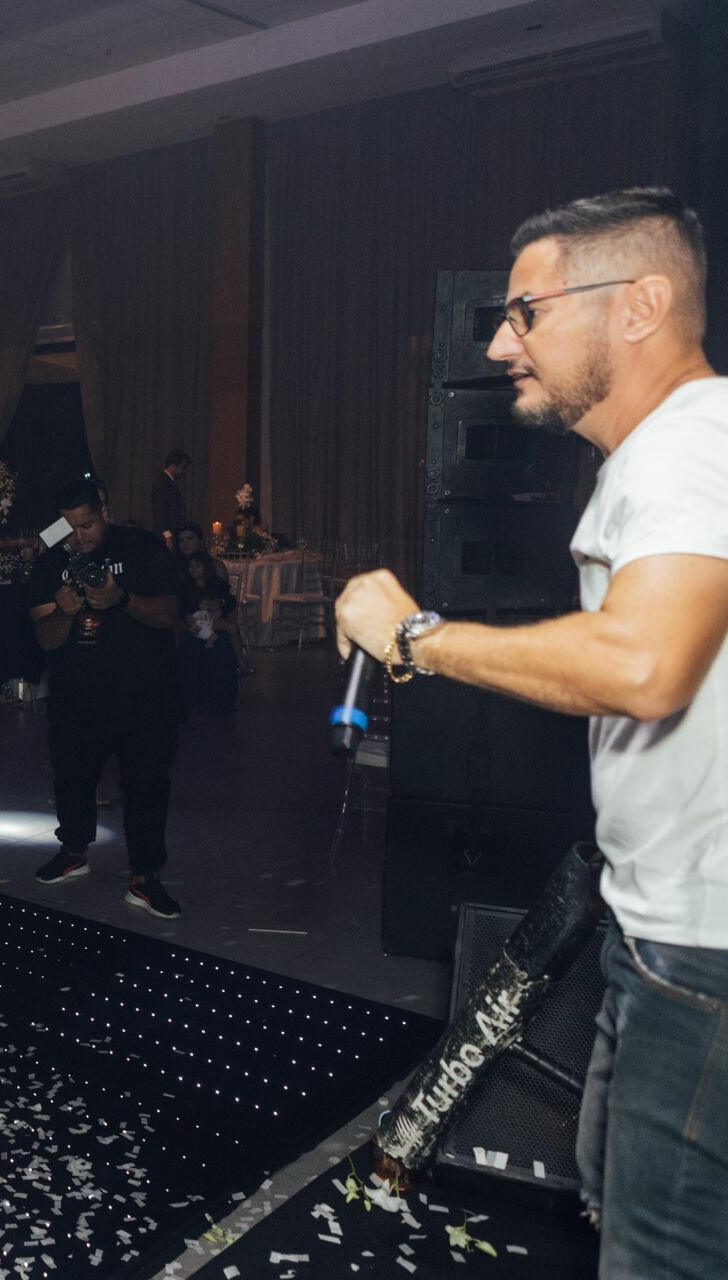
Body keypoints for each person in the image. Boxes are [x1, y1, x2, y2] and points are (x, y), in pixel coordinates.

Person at [336, 187, 728, 1280]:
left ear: (640, 304)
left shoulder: (693, 446)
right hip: (661, 932)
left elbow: (646, 666)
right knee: (614, 1188)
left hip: (708, 950)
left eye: (529, 311)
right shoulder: (669, 451)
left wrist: (418, 636)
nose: (505, 342)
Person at [28, 479, 184, 919]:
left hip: (145, 695)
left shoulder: (142, 547)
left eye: (88, 524)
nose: (80, 535)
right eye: (70, 527)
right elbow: (45, 639)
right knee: (72, 778)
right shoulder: (51, 560)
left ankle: (145, 877)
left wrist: (121, 599)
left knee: (147, 786)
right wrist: (64, 611)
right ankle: (73, 850)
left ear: (106, 512)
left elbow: (171, 614)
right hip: (77, 697)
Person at [175, 549, 242, 715]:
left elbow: (229, 600)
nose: (193, 570)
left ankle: (241, 661)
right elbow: (181, 607)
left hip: (213, 620)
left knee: (230, 631)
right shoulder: (185, 587)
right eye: (190, 567)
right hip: (195, 623)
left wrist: (220, 605)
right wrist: (187, 618)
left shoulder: (215, 583)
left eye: (197, 566)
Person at [152, 449, 190, 539]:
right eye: (182, 468)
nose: (184, 471)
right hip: (167, 534)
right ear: (173, 465)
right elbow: (160, 509)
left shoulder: (168, 482)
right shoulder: (163, 483)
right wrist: (167, 535)